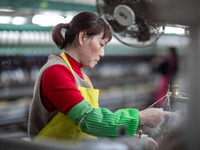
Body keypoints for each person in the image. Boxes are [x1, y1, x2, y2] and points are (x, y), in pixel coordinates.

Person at [28, 12, 173, 149]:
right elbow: (90, 120)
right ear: (82, 37)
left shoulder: (81, 75)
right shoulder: (56, 71)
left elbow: (94, 128)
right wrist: (140, 117)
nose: (102, 53)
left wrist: (135, 139)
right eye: (101, 44)